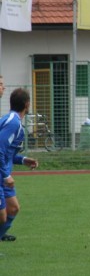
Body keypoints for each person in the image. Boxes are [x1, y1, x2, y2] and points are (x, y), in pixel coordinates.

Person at [0, 88, 39, 242]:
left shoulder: (13, 121)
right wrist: (6, 175)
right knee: (2, 216)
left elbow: (7, 154)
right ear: (27, 104)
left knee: (13, 208)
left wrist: (23, 160)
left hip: (3, 174)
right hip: (2, 175)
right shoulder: (13, 123)